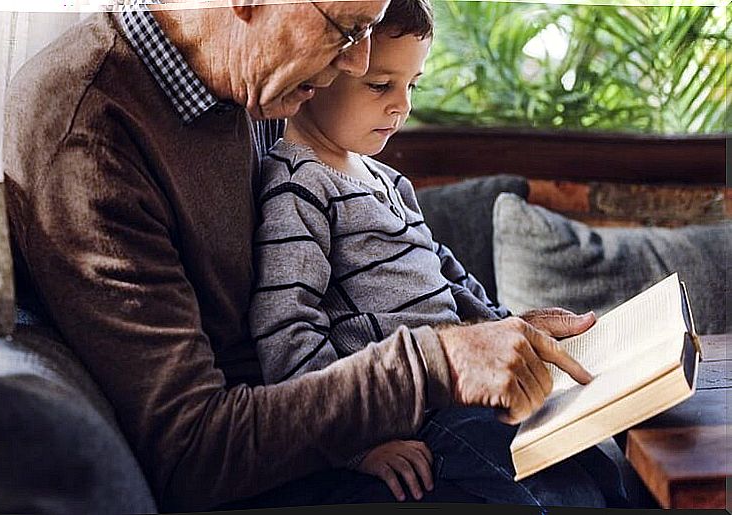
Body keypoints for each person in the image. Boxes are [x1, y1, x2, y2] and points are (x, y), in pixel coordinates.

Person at [3, 0, 599, 511]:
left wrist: (495, 330)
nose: (357, 64)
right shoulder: (89, 130)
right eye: (345, 29)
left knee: (593, 454)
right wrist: (434, 362)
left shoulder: (252, 85)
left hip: (334, 420)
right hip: (272, 469)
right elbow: (189, 451)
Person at [249, 0, 626, 507]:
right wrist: (357, 447)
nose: (401, 106)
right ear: (321, 69)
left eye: (412, 85)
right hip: (417, 412)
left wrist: (513, 330)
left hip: (466, 388)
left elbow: (450, 278)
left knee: (596, 458)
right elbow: (285, 332)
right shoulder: (298, 185)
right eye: (381, 86)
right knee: (553, 497)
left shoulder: (387, 180)